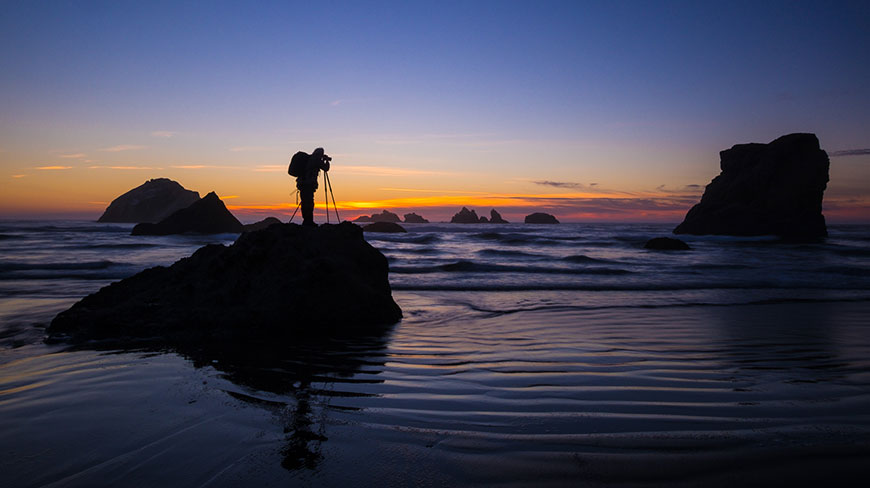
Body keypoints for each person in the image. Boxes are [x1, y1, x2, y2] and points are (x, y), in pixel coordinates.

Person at [296, 147, 331, 226]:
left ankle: (307, 221)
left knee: (305, 203)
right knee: (309, 203)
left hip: (302, 184)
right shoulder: (315, 160)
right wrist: (326, 161)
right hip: (308, 185)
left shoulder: (310, 159)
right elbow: (326, 168)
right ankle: (308, 222)